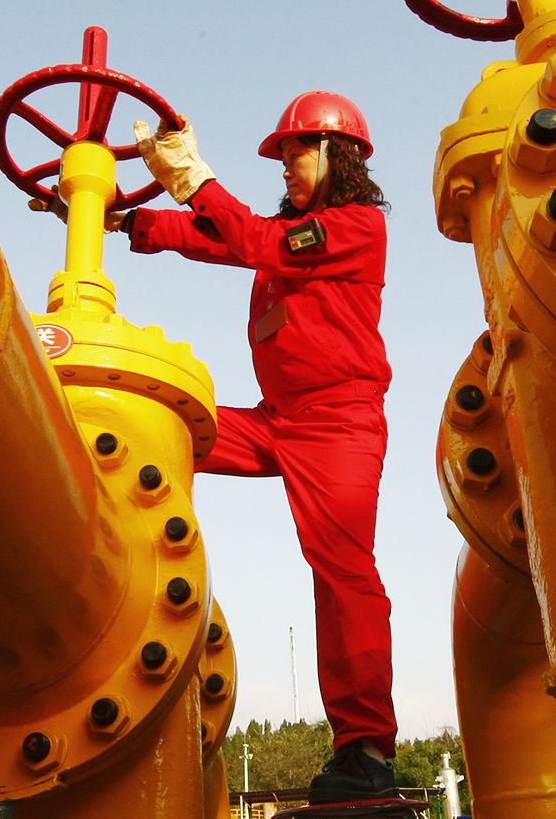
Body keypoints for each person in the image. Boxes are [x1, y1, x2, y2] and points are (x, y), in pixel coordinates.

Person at [52, 92, 399, 803]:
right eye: (283, 156)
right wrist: (123, 220)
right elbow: (221, 239)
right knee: (158, 427)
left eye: (298, 151)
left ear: (340, 155)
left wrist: (193, 178)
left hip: (339, 423)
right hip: (277, 419)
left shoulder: (357, 226)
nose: (287, 167)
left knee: (341, 570)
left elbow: (254, 241)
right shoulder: (284, 240)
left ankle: (365, 750)